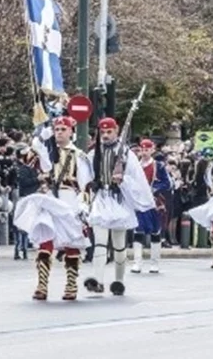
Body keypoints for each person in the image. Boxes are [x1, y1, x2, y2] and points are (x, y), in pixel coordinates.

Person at [14, 116, 90, 300]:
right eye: (56, 129)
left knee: (72, 242)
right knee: (45, 239)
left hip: (69, 199)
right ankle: (42, 284)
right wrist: (40, 139)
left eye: (63, 129)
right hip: (49, 200)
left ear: (71, 131)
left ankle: (71, 284)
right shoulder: (47, 150)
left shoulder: (79, 156)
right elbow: (25, 158)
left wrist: (83, 204)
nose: (59, 133)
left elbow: (85, 184)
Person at [82, 117, 155, 296]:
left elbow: (137, 178)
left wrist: (123, 179)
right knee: (99, 241)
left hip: (119, 199)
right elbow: (86, 175)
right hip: (101, 198)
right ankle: (97, 280)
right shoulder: (93, 154)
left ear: (116, 131)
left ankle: (119, 280)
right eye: (103, 132)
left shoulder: (126, 154)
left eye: (109, 132)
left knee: (119, 245)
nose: (105, 136)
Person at [131, 139, 172, 274]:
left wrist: (154, 189)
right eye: (142, 149)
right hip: (138, 202)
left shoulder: (158, 166)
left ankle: (154, 263)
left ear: (152, 150)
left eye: (147, 149)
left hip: (154, 202)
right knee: (138, 231)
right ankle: (137, 262)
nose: (144, 152)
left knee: (156, 232)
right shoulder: (135, 165)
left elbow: (167, 183)